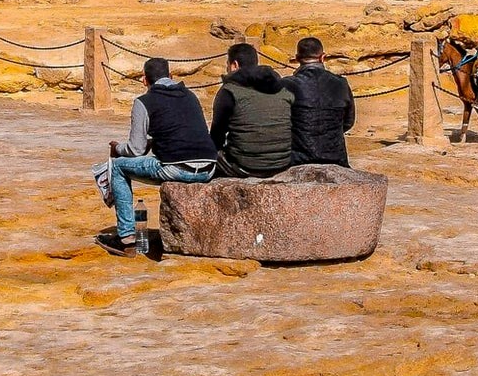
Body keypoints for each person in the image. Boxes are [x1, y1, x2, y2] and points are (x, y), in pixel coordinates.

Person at [96, 56, 217, 256]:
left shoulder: (144, 102)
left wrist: (117, 149)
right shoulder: (190, 96)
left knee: (117, 166)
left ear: (144, 80)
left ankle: (126, 237)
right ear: (171, 76)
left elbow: (135, 149)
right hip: (209, 167)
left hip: (178, 167)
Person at [209, 43, 294, 178]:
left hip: (246, 166)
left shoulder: (230, 91)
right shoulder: (281, 87)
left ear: (234, 65)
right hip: (282, 163)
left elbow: (217, 135)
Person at [284, 36, 355, 166]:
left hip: (297, 158)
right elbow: (348, 122)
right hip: (335, 157)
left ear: (297, 58)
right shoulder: (341, 83)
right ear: (323, 57)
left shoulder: (287, 84)